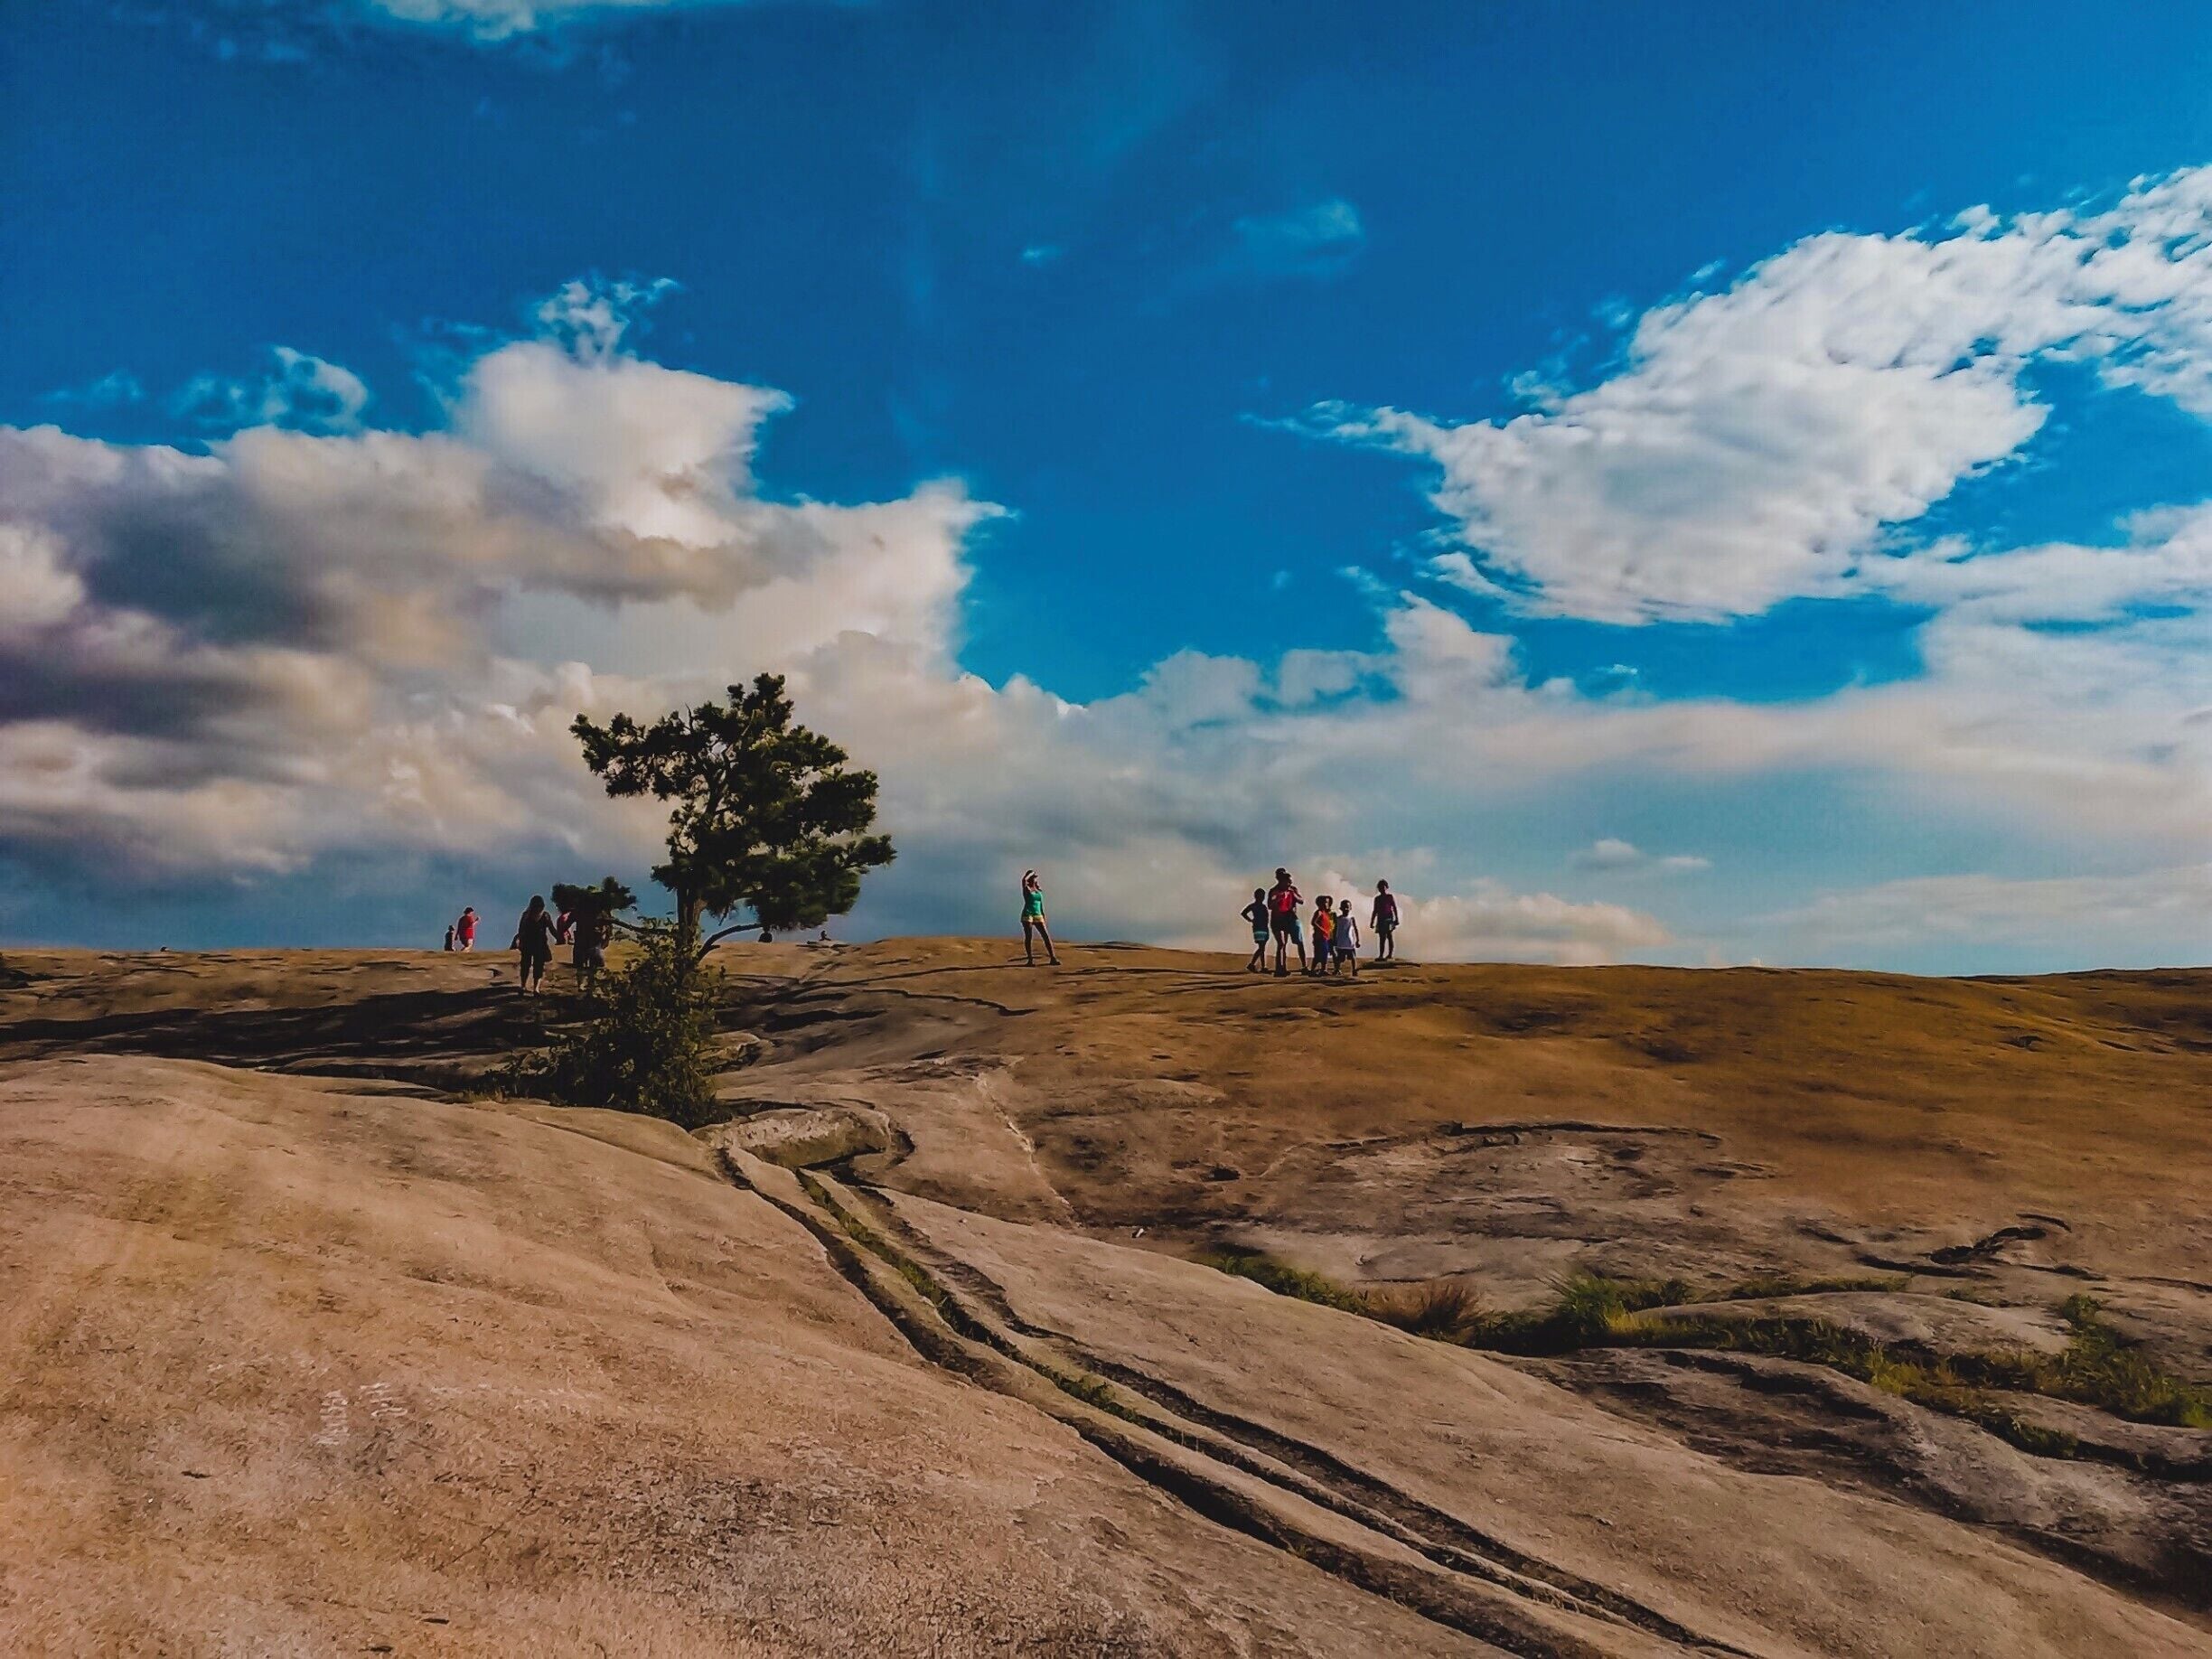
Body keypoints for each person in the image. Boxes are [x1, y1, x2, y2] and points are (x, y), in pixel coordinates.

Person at [513, 895, 557, 994]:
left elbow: (551, 929)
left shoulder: (544, 916)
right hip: (529, 943)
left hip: (539, 944)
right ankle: (523, 986)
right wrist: (519, 940)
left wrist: (559, 937)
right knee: (526, 965)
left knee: (538, 966)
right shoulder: (526, 916)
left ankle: (535, 988)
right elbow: (521, 930)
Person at [1267, 868, 1306, 978]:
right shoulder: (1274, 890)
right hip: (1277, 920)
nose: (1289, 883)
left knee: (1286, 943)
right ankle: (1279, 968)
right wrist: (1278, 899)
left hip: (1288, 919)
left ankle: (1283, 968)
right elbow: (1270, 905)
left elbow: (1301, 901)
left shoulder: (1292, 889)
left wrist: (1293, 894)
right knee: (1281, 943)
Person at [1020, 869, 1060, 966]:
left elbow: (1041, 905)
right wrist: (1029, 874)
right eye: (1033, 878)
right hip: (1028, 914)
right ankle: (1030, 960)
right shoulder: (1027, 890)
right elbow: (1023, 881)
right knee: (1029, 937)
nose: (1035, 880)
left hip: (1038, 914)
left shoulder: (1038, 891)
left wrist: (1044, 916)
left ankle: (1053, 958)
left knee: (1046, 936)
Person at [573, 906, 607, 990]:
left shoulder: (579, 910)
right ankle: (586, 984)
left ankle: (586, 984)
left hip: (589, 940)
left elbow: (608, 925)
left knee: (587, 964)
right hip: (589, 940)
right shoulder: (600, 911)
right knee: (587, 964)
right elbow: (608, 925)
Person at [1240, 887, 1270, 972]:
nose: (1262, 897)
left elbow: (1266, 918)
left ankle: (1257, 965)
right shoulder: (1254, 906)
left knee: (1262, 947)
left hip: (1263, 928)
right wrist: (1250, 920)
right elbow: (1243, 913)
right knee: (1262, 947)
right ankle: (1259, 966)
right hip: (1258, 928)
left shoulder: (1262, 906)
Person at [1371, 879, 1400, 962]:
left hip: (1389, 919)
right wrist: (1372, 921)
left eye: (1383, 887)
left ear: (1386, 888)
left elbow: (1394, 908)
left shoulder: (1389, 897)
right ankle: (1381, 955)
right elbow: (1375, 910)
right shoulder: (1377, 899)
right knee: (1382, 938)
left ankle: (1390, 954)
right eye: (1380, 888)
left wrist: (1396, 919)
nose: (1382, 889)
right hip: (1380, 919)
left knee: (1389, 936)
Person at [1310, 894, 1336, 975]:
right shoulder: (1319, 912)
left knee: (1325, 953)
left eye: (1327, 902)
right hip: (1319, 937)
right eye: (1325, 902)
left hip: (1325, 937)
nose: (1326, 904)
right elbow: (1313, 922)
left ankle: (1323, 969)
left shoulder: (1326, 913)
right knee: (1319, 954)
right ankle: (1314, 969)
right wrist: (1322, 930)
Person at [1335, 898, 1361, 977]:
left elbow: (1356, 929)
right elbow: (1335, 929)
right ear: (1341, 908)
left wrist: (1358, 940)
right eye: (1344, 907)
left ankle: (1354, 970)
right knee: (1340, 958)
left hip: (1350, 942)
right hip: (1340, 942)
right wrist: (1334, 939)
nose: (1346, 909)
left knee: (1353, 957)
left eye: (1347, 907)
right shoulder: (1338, 919)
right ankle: (1337, 969)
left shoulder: (1351, 919)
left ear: (1350, 908)